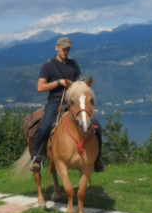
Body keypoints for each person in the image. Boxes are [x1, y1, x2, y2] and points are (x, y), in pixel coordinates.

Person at [30, 36, 106, 173]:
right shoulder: (48, 66)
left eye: (68, 49)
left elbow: (77, 83)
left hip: (73, 102)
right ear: (57, 48)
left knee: (97, 127)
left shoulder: (73, 65)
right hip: (55, 101)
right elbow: (40, 88)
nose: (65, 51)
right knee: (45, 126)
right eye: (63, 48)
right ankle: (36, 157)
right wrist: (58, 83)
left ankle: (97, 159)